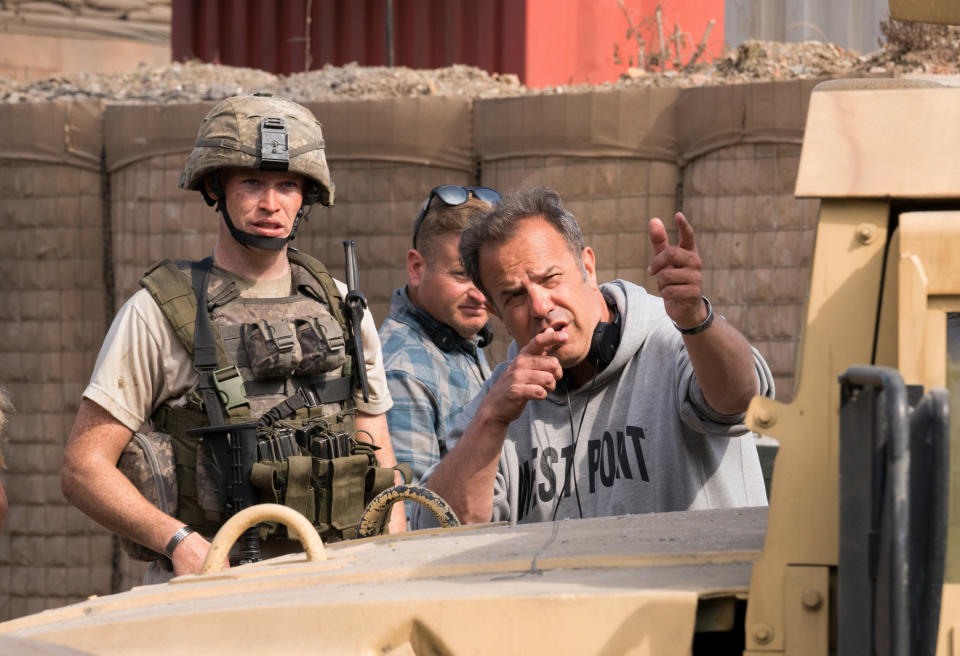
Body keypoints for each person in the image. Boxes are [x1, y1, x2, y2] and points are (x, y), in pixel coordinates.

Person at [61, 94, 405, 582]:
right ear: (214, 187)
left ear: (307, 195)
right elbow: (82, 469)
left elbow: (377, 452)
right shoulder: (157, 313)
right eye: (252, 182)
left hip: (335, 581)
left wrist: (390, 566)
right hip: (214, 584)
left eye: (287, 184)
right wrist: (177, 540)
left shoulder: (342, 307)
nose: (271, 204)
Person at [412, 185, 774, 527]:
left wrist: (696, 318)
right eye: (514, 296)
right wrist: (492, 418)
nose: (540, 306)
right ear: (494, 311)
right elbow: (438, 530)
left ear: (587, 266)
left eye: (551, 278)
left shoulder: (674, 339)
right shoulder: (501, 401)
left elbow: (741, 399)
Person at [378, 185, 500, 484]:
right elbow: (413, 514)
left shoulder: (458, 335)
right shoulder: (403, 373)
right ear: (417, 267)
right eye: (462, 275)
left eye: (486, 277)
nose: (480, 294)